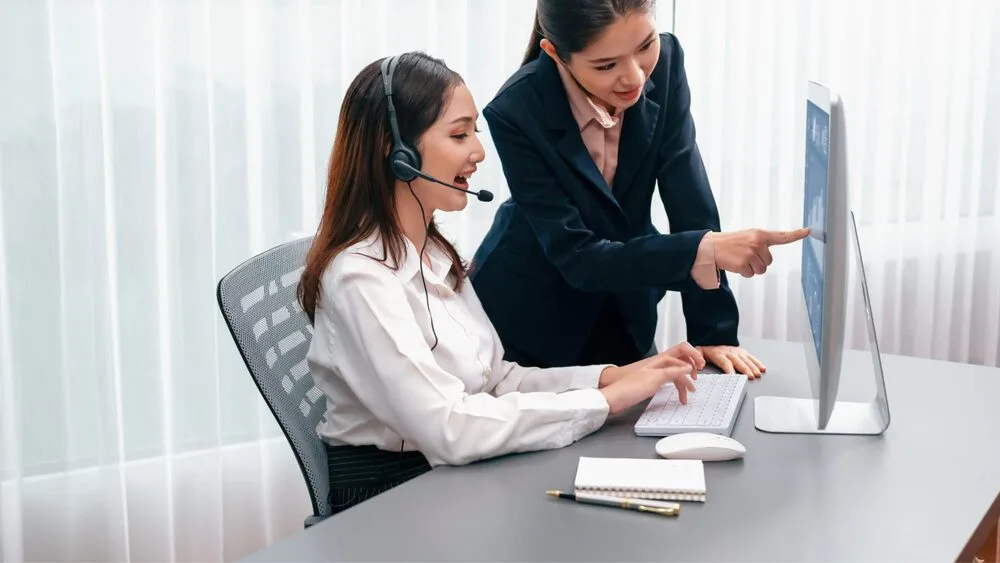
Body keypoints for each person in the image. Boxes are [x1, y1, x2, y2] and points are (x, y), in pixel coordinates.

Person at [298, 51, 705, 514]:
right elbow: (449, 427)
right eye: (459, 133)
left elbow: (500, 381)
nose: (478, 151)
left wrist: (616, 375)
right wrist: (604, 401)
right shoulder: (361, 279)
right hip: (393, 499)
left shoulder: (432, 253)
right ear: (399, 154)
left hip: (448, 474)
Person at [470, 0, 809, 379]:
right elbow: (577, 256)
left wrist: (712, 333)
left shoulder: (665, 66)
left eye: (645, 46)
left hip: (627, 308)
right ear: (554, 53)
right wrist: (706, 250)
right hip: (532, 320)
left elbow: (690, 202)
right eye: (606, 65)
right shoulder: (516, 109)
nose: (634, 77)